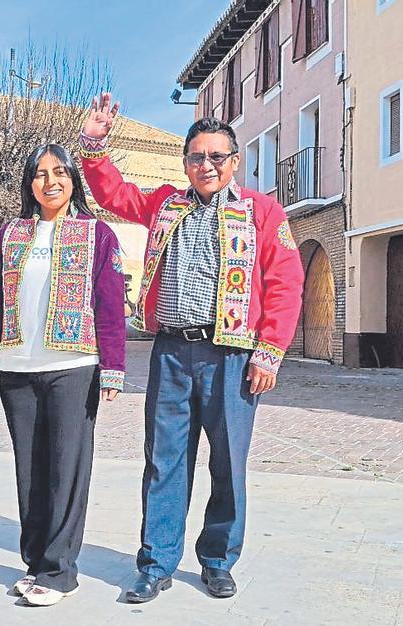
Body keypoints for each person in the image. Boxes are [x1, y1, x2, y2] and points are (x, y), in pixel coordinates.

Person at [78, 93, 305, 603]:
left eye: (217, 156)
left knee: (228, 462)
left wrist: (269, 350)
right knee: (164, 460)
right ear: (185, 163)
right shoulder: (166, 204)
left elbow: (286, 283)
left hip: (232, 357)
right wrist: (94, 145)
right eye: (197, 157)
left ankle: (218, 561)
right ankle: (156, 563)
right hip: (172, 354)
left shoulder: (262, 212)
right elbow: (114, 194)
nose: (207, 165)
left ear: (234, 161)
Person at [0, 144, 127, 606]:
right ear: (29, 183)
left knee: (66, 469)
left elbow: (110, 303)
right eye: (40, 174)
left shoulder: (97, 234)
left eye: (60, 172)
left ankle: (59, 572)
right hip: (17, 368)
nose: (50, 181)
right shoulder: (10, 234)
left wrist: (113, 366)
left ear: (73, 180)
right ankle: (35, 562)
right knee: (30, 470)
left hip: (73, 367)